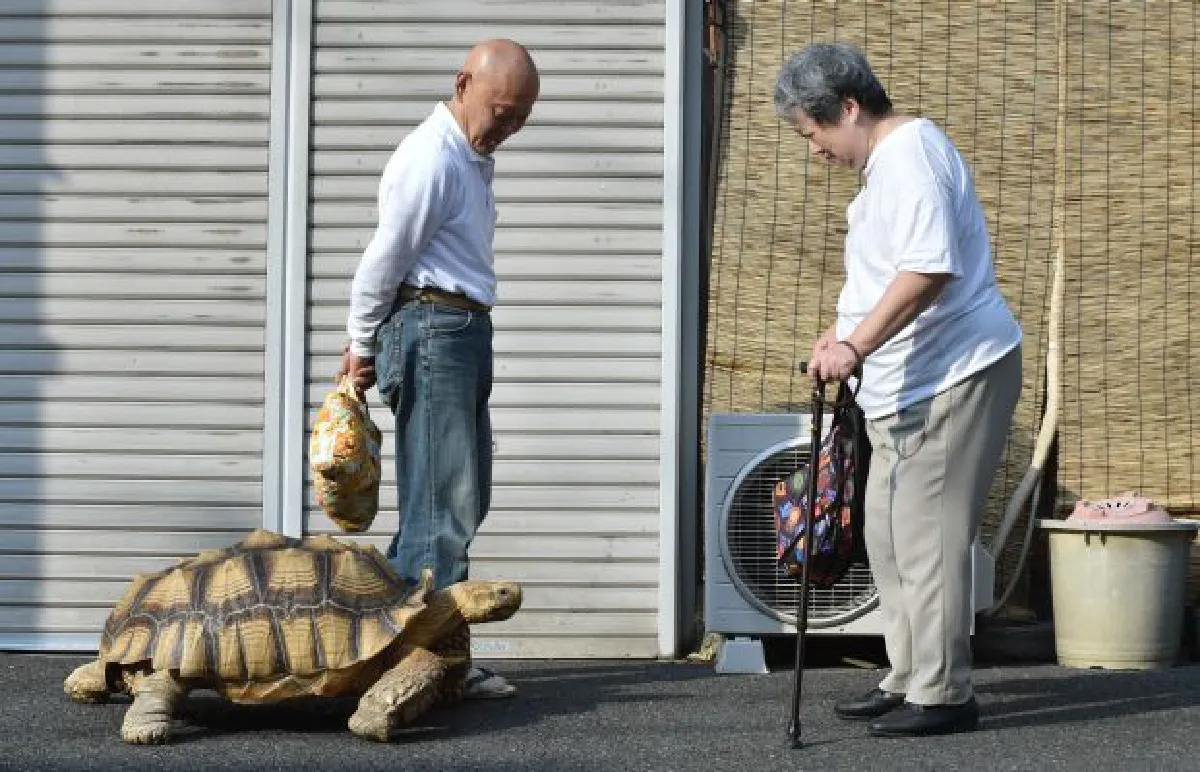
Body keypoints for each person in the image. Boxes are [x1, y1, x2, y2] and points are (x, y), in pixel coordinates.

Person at [774, 42, 1022, 737]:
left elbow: (926, 270)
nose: (814, 150)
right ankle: (910, 673)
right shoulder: (886, 169)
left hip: (953, 375)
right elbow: (882, 277)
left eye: (813, 132)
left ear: (847, 108)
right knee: (885, 533)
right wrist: (838, 336)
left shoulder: (910, 156)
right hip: (898, 383)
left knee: (927, 540)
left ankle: (944, 694)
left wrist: (855, 345)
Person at [337, 39, 541, 700]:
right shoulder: (432, 157)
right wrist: (361, 344)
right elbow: (385, 255)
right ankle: (420, 664)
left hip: (459, 329)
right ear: (464, 83)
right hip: (430, 327)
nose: (506, 130)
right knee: (439, 509)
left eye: (519, 121)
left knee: (461, 496)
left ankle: (388, 645)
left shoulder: (471, 157)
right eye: (501, 112)